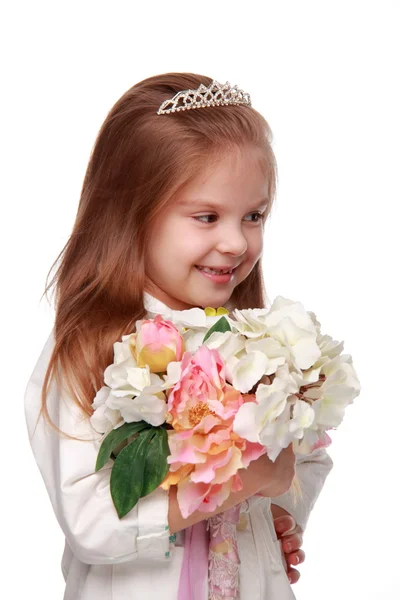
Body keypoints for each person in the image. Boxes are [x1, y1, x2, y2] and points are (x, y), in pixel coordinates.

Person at [24, 73, 333, 600]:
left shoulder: (257, 342)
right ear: (132, 217)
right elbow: (92, 521)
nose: (236, 241)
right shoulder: (90, 348)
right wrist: (241, 482)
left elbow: (304, 455)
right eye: (207, 216)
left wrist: (284, 513)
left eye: (254, 216)